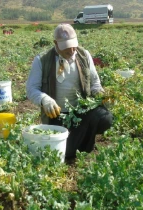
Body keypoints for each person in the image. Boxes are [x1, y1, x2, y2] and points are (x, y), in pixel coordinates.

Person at [26, 23, 113, 159]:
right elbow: (31, 89)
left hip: (81, 112)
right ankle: (75, 144)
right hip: (57, 116)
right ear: (56, 43)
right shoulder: (42, 60)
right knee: (68, 153)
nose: (72, 50)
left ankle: (83, 141)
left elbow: (95, 83)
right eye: (66, 47)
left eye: (74, 45)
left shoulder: (84, 55)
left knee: (105, 118)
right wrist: (45, 99)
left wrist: (100, 94)